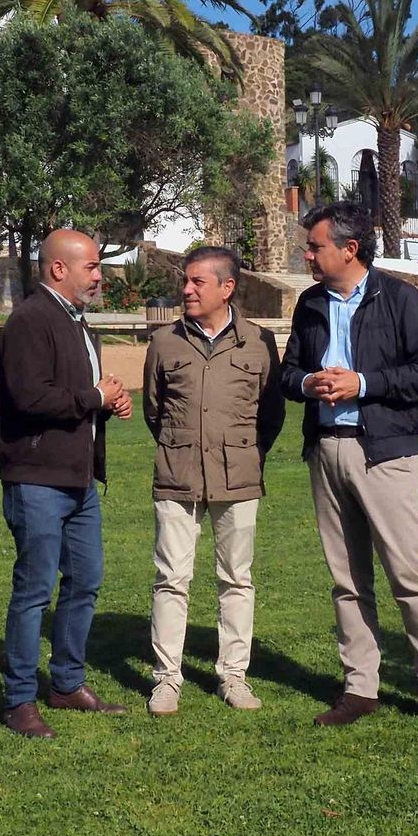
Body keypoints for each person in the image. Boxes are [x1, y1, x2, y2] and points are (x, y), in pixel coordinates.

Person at [280, 201, 418, 734]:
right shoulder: (309, 304)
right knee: (346, 579)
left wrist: (361, 384)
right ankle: (360, 687)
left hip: (385, 454)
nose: (308, 254)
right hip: (326, 449)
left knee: (409, 574)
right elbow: (288, 371)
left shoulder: (402, 299)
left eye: (315, 246)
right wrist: (307, 384)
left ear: (350, 249)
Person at [0, 228, 134, 739]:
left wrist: (108, 406)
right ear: (58, 269)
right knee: (34, 590)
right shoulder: (31, 320)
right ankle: (19, 700)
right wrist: (95, 398)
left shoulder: (77, 323)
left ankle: (67, 684)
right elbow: (31, 398)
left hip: (77, 481)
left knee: (86, 581)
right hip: (36, 480)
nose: (99, 276)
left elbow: (75, 396)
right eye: (91, 267)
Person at [142, 246, 285, 715]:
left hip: (239, 480)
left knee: (237, 580)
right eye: (186, 280)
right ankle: (166, 679)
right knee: (171, 579)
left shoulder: (260, 342)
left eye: (197, 282)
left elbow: (272, 415)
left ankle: (234, 676)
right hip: (177, 477)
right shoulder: (164, 343)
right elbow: (154, 411)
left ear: (227, 288)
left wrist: (245, 454)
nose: (186, 289)